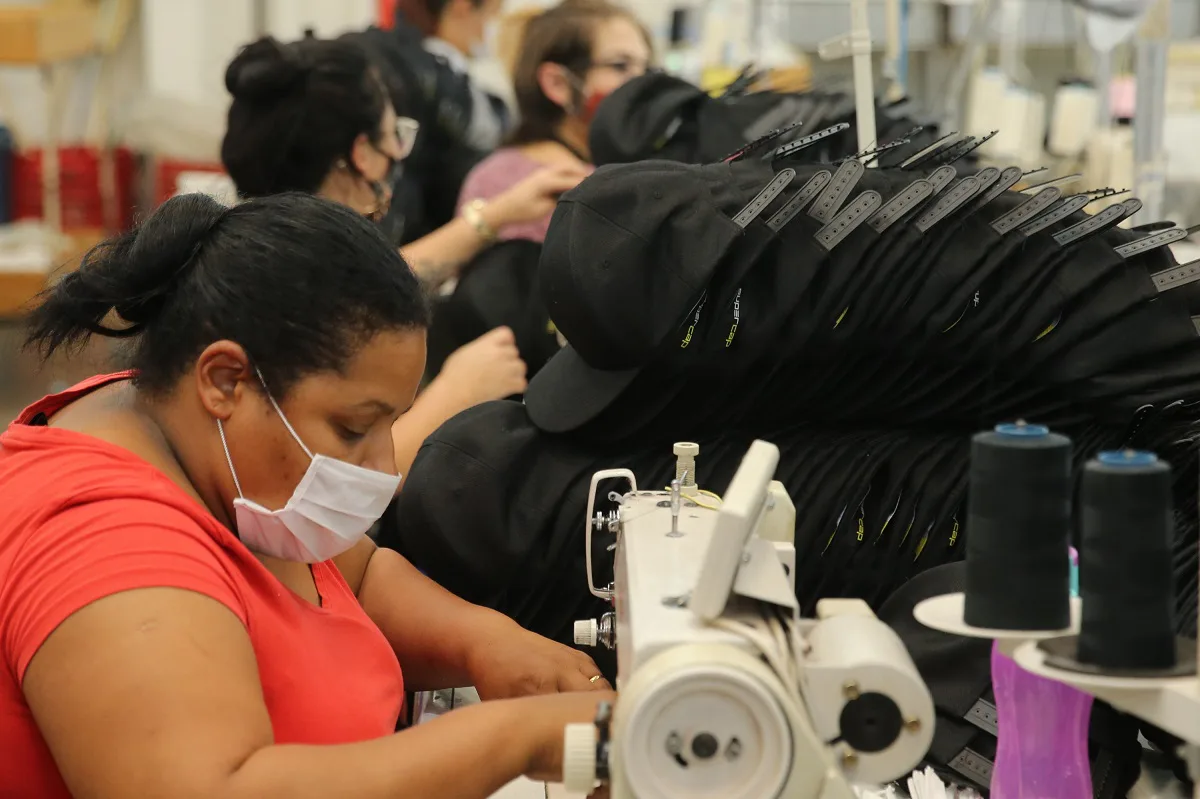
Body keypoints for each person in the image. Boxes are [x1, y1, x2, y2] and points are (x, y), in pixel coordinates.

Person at [0, 191, 612, 798]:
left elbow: (354, 576)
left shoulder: (194, 434)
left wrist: (487, 642)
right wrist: (516, 739)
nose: (381, 462)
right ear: (224, 380)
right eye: (352, 428)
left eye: (389, 425)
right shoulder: (103, 542)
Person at [220, 36, 583, 476]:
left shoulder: (252, 259)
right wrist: (458, 392)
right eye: (397, 134)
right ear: (362, 154)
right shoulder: (299, 308)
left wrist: (497, 215)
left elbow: (370, 284)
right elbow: (339, 483)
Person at [424, 0, 652, 379]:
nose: (643, 85)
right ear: (558, 83)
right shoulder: (505, 179)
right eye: (620, 66)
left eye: (646, 67)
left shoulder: (634, 171)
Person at [346, 0, 513, 246]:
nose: (489, 30)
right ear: (462, 6)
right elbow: (494, 127)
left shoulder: (373, 52)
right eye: (492, 15)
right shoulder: (442, 78)